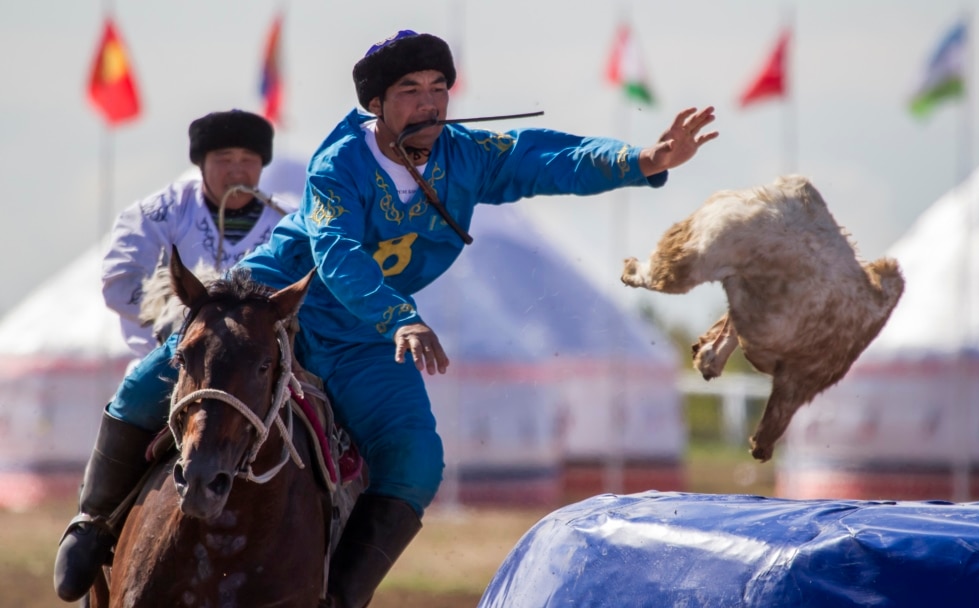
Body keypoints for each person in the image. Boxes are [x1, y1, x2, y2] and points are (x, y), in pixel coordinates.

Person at [54, 30, 717, 606]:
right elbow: (337, 255)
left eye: (438, 89)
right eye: (409, 91)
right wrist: (400, 314)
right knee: (148, 381)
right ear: (376, 105)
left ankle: (338, 593)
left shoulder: (466, 156)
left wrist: (643, 162)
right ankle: (89, 524)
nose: (429, 103)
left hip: (362, 339)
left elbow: (542, 156)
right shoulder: (338, 166)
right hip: (275, 304)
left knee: (417, 460)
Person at [101, 109, 294, 358]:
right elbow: (119, 282)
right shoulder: (156, 214)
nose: (237, 171)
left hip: (266, 358)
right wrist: (176, 311)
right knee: (133, 396)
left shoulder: (290, 221)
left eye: (248, 159)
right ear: (201, 163)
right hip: (173, 355)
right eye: (224, 159)